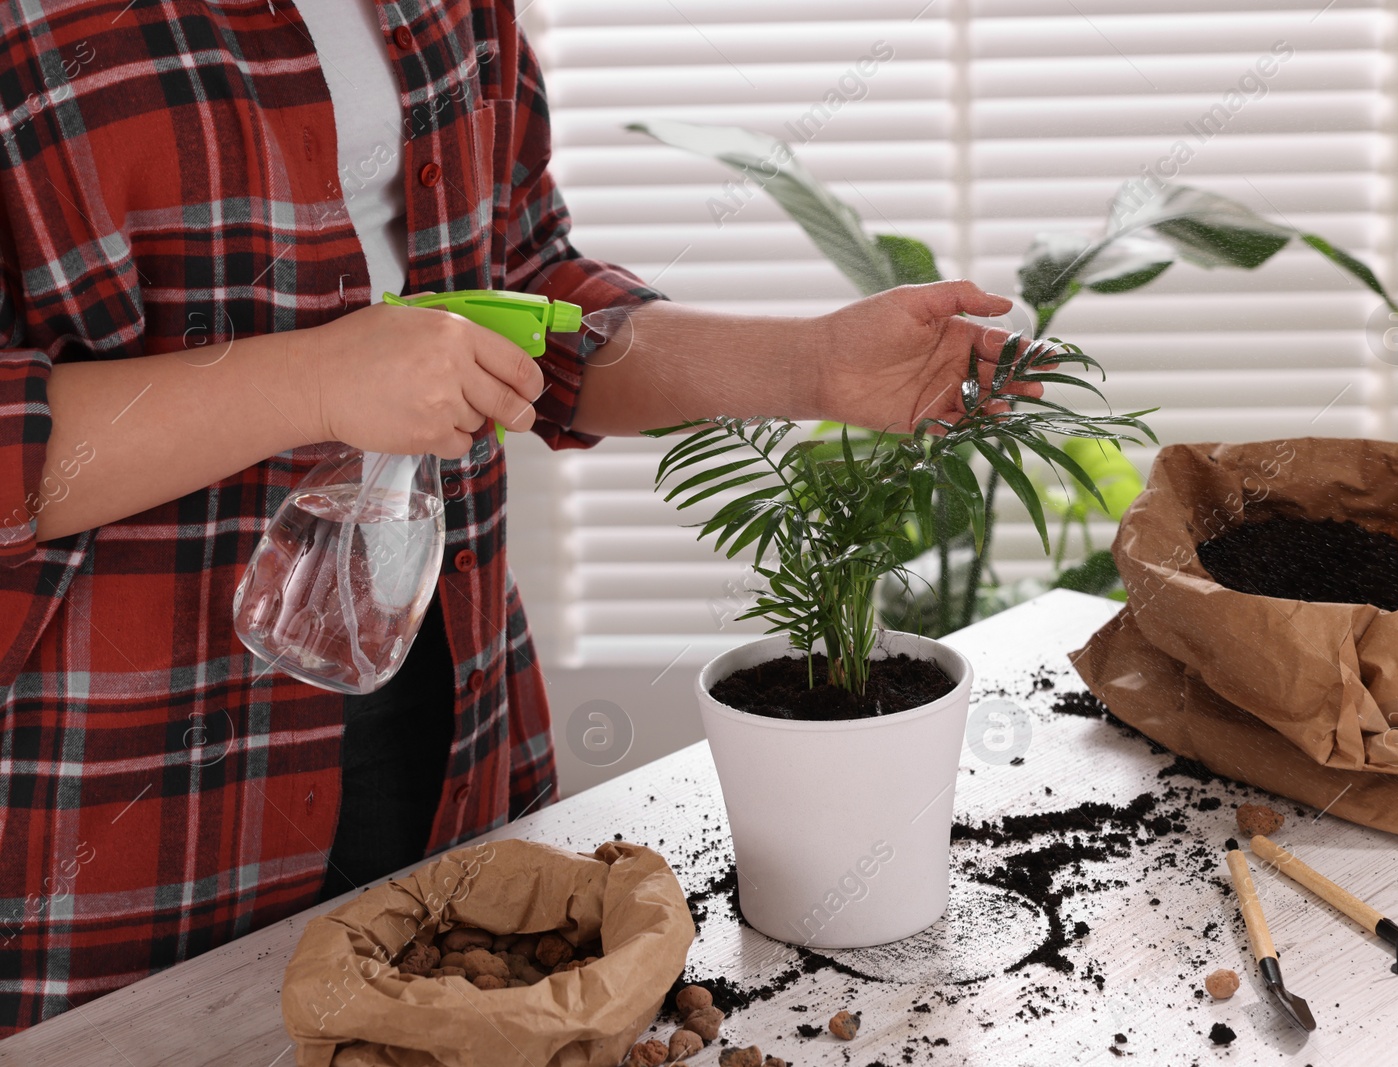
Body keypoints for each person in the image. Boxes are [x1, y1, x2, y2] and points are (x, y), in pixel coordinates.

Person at [0, 0, 1035, 1035]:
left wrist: (809, 365)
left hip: (448, 700)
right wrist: (314, 379)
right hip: (125, 782)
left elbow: (521, 299)